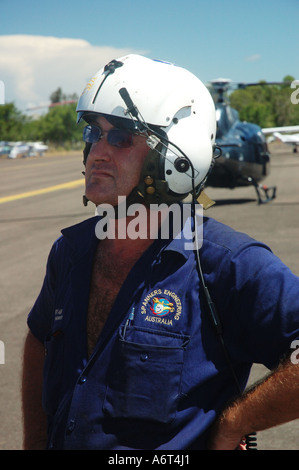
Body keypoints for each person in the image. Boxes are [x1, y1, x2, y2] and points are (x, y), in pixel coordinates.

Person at [22, 54, 299, 450]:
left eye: (119, 136)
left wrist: (234, 422)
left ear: (175, 156)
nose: (96, 152)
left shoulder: (229, 265)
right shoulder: (70, 251)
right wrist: (34, 440)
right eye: (92, 133)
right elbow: (39, 337)